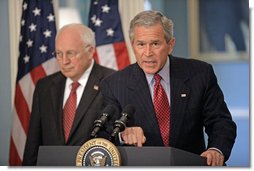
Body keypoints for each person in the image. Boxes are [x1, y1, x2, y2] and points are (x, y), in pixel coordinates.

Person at [100, 10, 237, 166]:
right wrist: (122, 135)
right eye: (141, 44)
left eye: (155, 44)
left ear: (170, 45)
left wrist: (215, 149)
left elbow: (220, 122)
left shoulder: (199, 74)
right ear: (133, 46)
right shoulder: (114, 84)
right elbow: (106, 134)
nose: (147, 53)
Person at [22, 23, 115, 165]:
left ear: (90, 51)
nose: (64, 61)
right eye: (59, 54)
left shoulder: (112, 83)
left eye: (71, 53)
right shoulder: (44, 87)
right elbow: (33, 144)